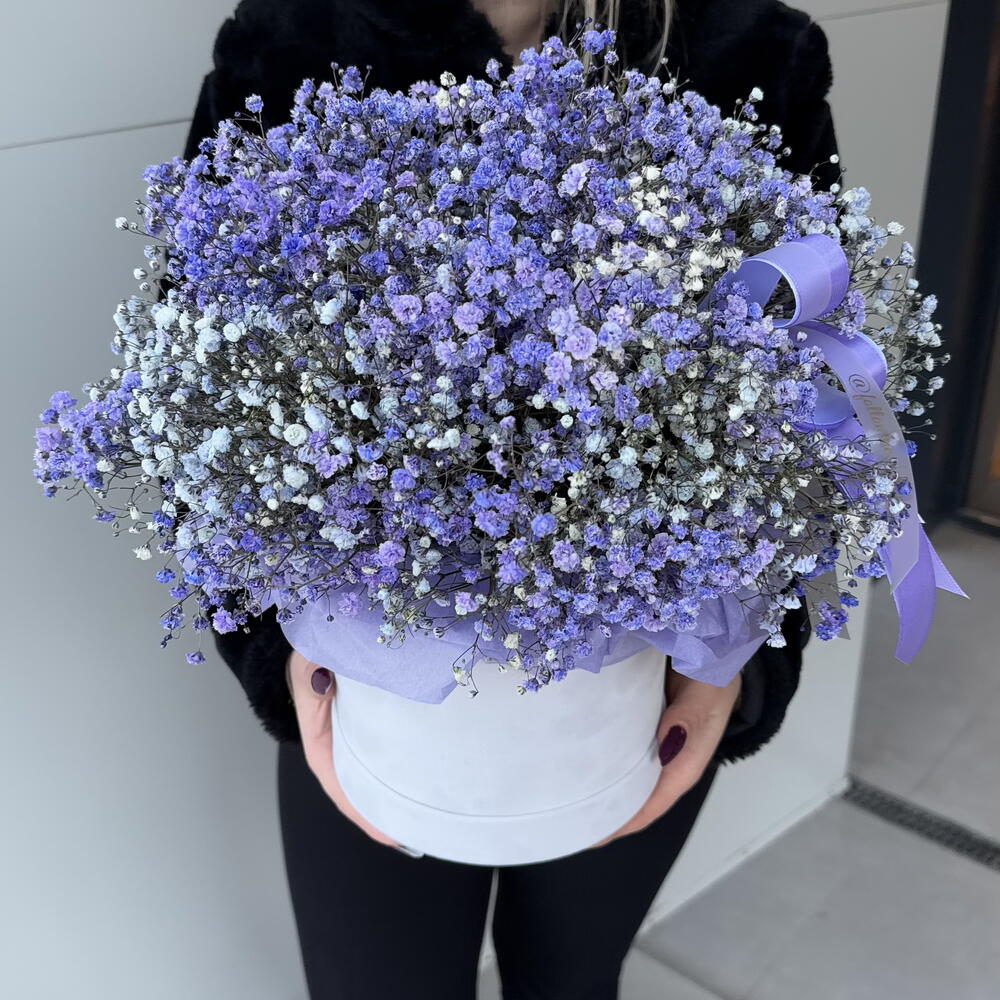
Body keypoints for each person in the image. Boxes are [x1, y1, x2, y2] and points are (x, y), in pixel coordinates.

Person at [178, 1, 839, 996]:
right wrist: (282, 659)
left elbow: (819, 398)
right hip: (377, 690)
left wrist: (739, 671)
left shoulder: (748, 48)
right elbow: (201, 399)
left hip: (633, 700)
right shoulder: (294, 36)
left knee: (570, 982)